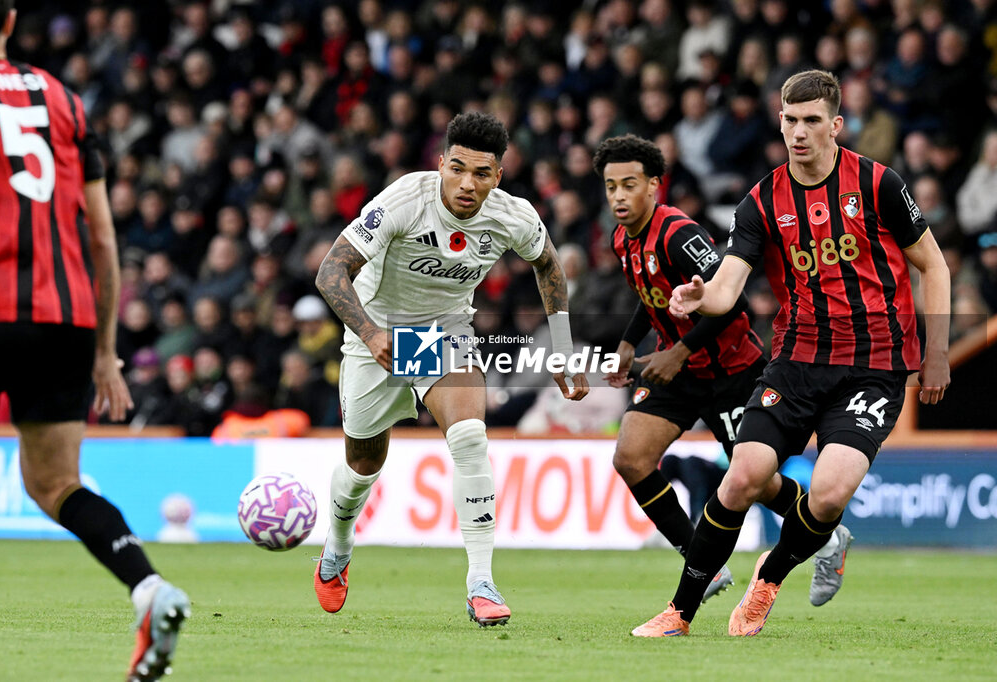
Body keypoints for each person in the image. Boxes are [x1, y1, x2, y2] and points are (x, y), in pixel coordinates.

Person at [635, 69, 950, 637]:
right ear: (779, 122)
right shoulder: (761, 200)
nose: (799, 132)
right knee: (742, 477)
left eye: (811, 120)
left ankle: (768, 579)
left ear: (836, 124)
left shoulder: (877, 183)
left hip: (875, 366)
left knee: (827, 496)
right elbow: (729, 286)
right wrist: (701, 296)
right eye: (790, 120)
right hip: (798, 361)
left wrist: (938, 352)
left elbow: (934, 264)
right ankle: (679, 612)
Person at [0, 3, 189, 679]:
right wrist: (103, 352)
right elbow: (102, 236)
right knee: (56, 483)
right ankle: (149, 587)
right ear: (11, 20)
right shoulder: (63, 98)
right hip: (65, 318)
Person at [313, 111, 589, 627]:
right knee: (363, 465)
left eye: (481, 173)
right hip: (378, 331)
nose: (467, 183)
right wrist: (370, 334)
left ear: (498, 176)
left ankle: (481, 582)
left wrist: (562, 348)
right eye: (457, 168)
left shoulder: (513, 215)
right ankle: (339, 544)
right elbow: (330, 272)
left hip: (441, 333)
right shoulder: (405, 199)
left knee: (469, 437)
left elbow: (548, 263)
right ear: (440, 163)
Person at [594, 134, 841, 606]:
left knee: (756, 482)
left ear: (654, 185)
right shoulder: (622, 238)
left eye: (629, 184)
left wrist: (678, 351)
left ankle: (826, 533)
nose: (619, 196)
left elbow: (733, 303)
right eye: (610, 187)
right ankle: (702, 563)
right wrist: (627, 343)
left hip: (732, 371)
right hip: (680, 371)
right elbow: (653, 296)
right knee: (630, 457)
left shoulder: (678, 234)